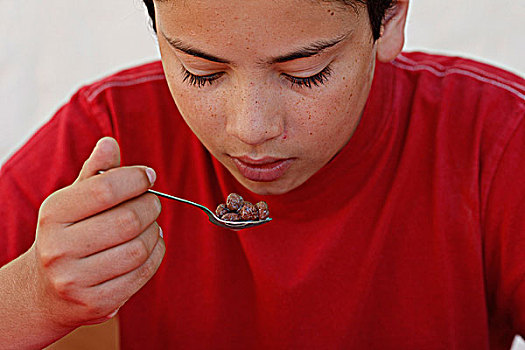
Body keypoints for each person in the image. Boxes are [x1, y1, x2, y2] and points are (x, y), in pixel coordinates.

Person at [0, 0, 523, 348]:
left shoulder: (494, 139)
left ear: (388, 20)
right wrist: (35, 297)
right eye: (201, 72)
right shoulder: (108, 132)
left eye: (304, 73)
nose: (250, 129)